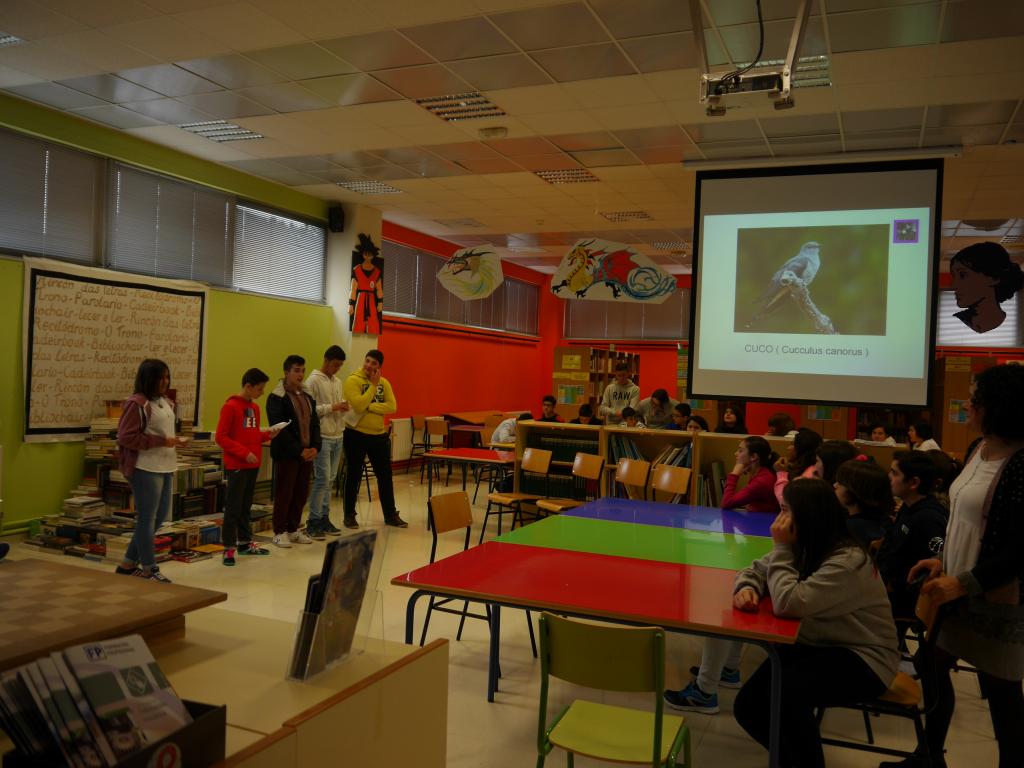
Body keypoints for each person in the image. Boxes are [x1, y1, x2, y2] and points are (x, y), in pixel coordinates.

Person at [890, 364, 1024, 768]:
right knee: (929, 664)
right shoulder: (976, 449)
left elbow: (1019, 549)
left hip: (994, 597)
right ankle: (929, 756)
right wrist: (943, 557)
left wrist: (964, 582)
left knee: (1003, 697)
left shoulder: (1020, 463)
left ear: (997, 406)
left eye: (974, 399)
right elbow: (964, 520)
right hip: (954, 586)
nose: (966, 404)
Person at [729, 479, 899, 768]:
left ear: (807, 516)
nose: (778, 520)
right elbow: (757, 568)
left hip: (864, 658)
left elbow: (789, 604)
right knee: (749, 706)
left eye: (784, 511)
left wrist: (781, 548)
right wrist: (747, 586)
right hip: (818, 644)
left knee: (787, 695)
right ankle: (792, 759)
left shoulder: (847, 560)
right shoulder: (807, 543)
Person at [115, 359, 188, 582]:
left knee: (158, 519)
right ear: (149, 379)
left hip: (165, 465)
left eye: (167, 377)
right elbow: (126, 437)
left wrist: (173, 441)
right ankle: (149, 568)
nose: (165, 382)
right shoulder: (136, 403)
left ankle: (127, 564)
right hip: (145, 467)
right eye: (160, 377)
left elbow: (165, 433)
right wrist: (162, 441)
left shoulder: (165, 402)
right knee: (147, 519)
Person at [215, 368, 283, 566]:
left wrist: (268, 434)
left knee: (246, 506)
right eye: (259, 389)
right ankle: (228, 548)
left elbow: (251, 434)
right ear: (248, 386)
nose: (262, 393)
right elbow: (221, 437)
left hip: (252, 465)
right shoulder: (230, 406)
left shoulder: (254, 408)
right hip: (237, 464)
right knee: (233, 507)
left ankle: (244, 543)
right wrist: (244, 453)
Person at [877, 451, 948, 619]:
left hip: (903, 600)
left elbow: (931, 567)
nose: (889, 477)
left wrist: (893, 584)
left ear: (914, 482)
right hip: (887, 588)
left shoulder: (929, 519)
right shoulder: (907, 507)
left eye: (895, 473)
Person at [343, 350, 407, 528]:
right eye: (368, 361)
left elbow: (392, 406)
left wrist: (370, 406)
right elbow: (358, 405)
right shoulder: (352, 380)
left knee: (385, 476)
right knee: (354, 476)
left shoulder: (384, 383)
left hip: (379, 436)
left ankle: (390, 514)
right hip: (356, 434)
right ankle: (349, 515)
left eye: (374, 364)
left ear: (379, 367)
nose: (369, 366)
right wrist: (372, 385)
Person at [266, 355, 321, 548]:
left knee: (300, 493)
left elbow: (314, 423)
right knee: (285, 492)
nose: (300, 374)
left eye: (302, 370)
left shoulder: (307, 395)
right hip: (287, 454)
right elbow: (280, 428)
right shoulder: (277, 397)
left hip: (307, 453)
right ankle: (279, 531)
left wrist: (315, 446)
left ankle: (293, 528)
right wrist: (299, 451)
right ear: (286, 372)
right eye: (296, 370)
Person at [304, 345, 350, 539]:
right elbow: (309, 410)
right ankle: (313, 520)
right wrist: (333, 407)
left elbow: (337, 404)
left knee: (330, 480)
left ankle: (324, 517)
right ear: (326, 360)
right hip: (322, 436)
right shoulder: (313, 381)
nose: (337, 369)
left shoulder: (337, 381)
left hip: (337, 434)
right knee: (322, 479)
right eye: (335, 365)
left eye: (340, 366)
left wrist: (343, 407)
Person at [949, 241, 1024, 334]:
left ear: (993, 278)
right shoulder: (957, 319)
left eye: (963, 275)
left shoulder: (1011, 325)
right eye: (954, 276)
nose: (954, 285)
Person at [833, 458, 894, 548]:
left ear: (854, 492)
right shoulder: (883, 518)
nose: (835, 485)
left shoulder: (851, 529)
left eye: (840, 483)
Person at [721, 436, 779, 513]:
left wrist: (734, 474)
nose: (735, 453)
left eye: (740, 451)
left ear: (753, 456)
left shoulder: (761, 481)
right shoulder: (760, 473)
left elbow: (726, 503)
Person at [773, 427, 822, 505]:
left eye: (792, 444)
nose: (788, 448)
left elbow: (785, 501)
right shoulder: (800, 468)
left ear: (801, 448)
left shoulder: (810, 473)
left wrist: (781, 473)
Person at [349, 233, 383, 335]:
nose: (368, 256)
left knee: (373, 323)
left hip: (372, 299)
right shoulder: (357, 270)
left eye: (370, 254)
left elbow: (379, 289)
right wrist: (351, 304)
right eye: (366, 254)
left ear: (373, 255)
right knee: (358, 321)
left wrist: (380, 302)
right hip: (361, 298)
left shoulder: (376, 272)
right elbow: (353, 289)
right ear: (363, 254)